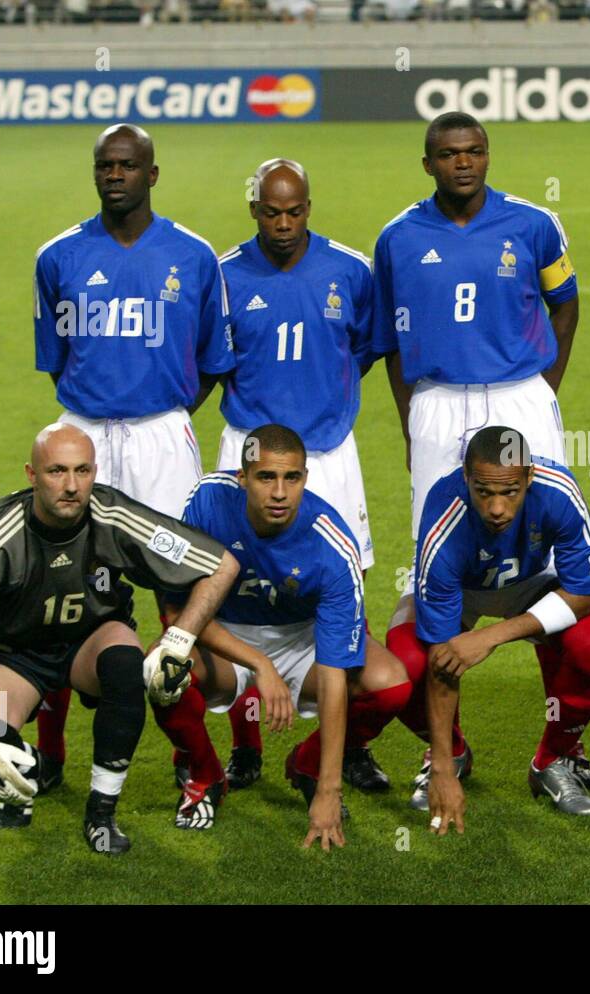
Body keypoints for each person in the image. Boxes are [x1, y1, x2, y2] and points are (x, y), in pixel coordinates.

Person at [0, 424, 238, 854]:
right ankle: (26, 776)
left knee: (126, 668)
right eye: (56, 471)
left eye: (83, 471)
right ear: (30, 475)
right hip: (15, 655)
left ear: (95, 472)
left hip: (92, 641)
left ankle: (102, 813)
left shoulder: (112, 514)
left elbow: (221, 566)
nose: (72, 486)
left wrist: (179, 640)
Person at [32, 123, 234, 772]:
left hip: (160, 435)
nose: (113, 175)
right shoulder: (57, 257)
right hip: (83, 430)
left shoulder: (194, 256)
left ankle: (203, 756)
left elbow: (212, 360)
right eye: (103, 166)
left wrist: (166, 412)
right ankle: (52, 749)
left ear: (152, 173)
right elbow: (57, 358)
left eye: (126, 166)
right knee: (58, 587)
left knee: (179, 592)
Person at [153, 425, 410, 844]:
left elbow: (332, 670)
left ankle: (307, 765)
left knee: (390, 684)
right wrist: (259, 663)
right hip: (223, 636)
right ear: (242, 478)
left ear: (305, 478)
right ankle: (203, 775)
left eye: (291, 478)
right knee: (162, 671)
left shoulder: (332, 543)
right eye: (265, 477)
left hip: (300, 642)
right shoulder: (207, 501)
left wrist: (329, 787)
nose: (279, 492)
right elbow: (177, 612)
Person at [214, 158, 379, 788]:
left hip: (329, 450)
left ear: (309, 206)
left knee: (349, 583)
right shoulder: (224, 274)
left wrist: (318, 399)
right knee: (237, 589)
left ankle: (349, 744)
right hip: (247, 450)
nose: (284, 223)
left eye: (296, 210)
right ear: (253, 209)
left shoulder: (350, 269)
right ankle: (246, 740)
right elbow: (216, 357)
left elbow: (358, 350)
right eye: (271, 211)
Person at [373, 111, 579, 546]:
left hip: (521, 395)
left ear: (488, 158)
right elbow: (391, 340)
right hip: (438, 400)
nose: (463, 163)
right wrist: (411, 421)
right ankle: (443, 616)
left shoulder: (534, 224)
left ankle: (542, 614)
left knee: (544, 534)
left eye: (474, 153)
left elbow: (565, 305)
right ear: (428, 165)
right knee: (435, 537)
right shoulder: (398, 237)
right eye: (448, 155)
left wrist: (546, 388)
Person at [411, 427, 590, 831]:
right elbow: (442, 656)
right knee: (409, 659)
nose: (496, 508)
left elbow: (586, 591)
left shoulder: (557, 489)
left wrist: (493, 635)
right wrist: (440, 767)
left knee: (588, 643)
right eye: (483, 492)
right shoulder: (444, 513)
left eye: (509, 492)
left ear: (529, 477)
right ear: (466, 478)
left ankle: (551, 762)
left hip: (529, 585)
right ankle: (450, 756)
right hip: (464, 591)